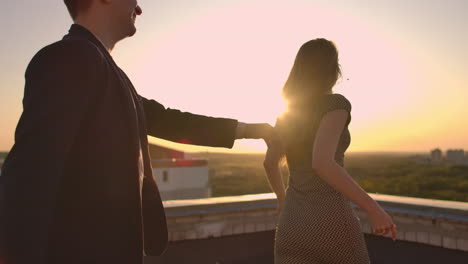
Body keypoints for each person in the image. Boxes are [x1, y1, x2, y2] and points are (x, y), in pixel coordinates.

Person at [0, 1, 272, 264]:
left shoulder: (105, 70)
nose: (139, 8)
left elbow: (170, 121)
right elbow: (27, 177)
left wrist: (251, 130)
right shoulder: (69, 58)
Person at [263, 39, 396, 263]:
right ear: (333, 70)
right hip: (331, 219)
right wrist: (373, 209)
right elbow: (322, 162)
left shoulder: (287, 113)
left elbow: (269, 163)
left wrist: (282, 200)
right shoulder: (336, 104)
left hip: (292, 222)